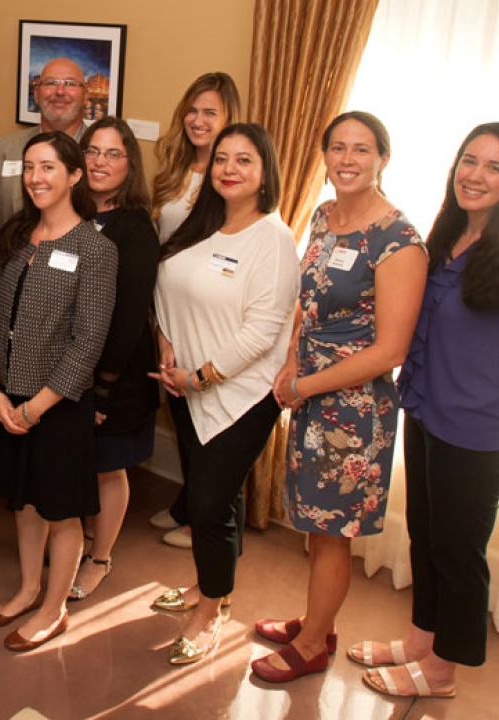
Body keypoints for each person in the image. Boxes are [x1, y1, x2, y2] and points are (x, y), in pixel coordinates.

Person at [359, 123, 499, 699]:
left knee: (458, 553)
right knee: (425, 536)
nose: (475, 175)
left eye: (494, 167)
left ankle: (442, 673)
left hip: (479, 434)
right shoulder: (447, 239)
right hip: (424, 412)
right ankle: (422, 642)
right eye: (469, 161)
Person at [250, 112, 426, 682]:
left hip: (353, 411)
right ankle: (315, 624)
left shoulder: (399, 240)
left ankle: (311, 648)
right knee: (316, 525)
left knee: (332, 535)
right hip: (311, 396)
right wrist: (294, 359)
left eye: (362, 149)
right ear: (324, 155)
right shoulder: (325, 218)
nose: (348, 159)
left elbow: (390, 350)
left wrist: (303, 386)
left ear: (383, 159)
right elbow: (312, 300)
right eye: (338, 148)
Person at [149, 123, 299, 666]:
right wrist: (166, 343)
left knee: (208, 508)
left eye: (244, 160)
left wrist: (200, 376)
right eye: (222, 160)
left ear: (265, 174)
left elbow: (262, 334)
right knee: (219, 498)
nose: (230, 169)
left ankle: (209, 612)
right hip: (183, 386)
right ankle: (212, 588)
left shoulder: (274, 240)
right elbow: (165, 286)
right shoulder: (199, 225)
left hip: (241, 397)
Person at [0, 131, 117, 651]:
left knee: (60, 512)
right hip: (8, 399)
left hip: (57, 406)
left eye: (50, 168)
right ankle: (28, 589)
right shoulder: (17, 237)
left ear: (75, 176)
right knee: (24, 504)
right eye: (31, 167)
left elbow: (88, 342)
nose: (37, 177)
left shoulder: (96, 249)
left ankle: (54, 610)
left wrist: (35, 407)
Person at [147, 72, 242, 550]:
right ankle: (188, 502)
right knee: (181, 411)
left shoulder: (231, 179)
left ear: (229, 121)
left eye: (211, 113)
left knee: (212, 421)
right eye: (193, 110)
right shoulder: (173, 172)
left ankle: (207, 517)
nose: (198, 120)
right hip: (168, 313)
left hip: (209, 319)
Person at [68, 117, 160, 602]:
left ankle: (100, 558)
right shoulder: (74, 212)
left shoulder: (135, 227)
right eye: (93, 151)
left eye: (113, 154)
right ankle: (85, 538)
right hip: (71, 367)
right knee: (81, 457)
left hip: (114, 372)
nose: (100, 162)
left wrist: (101, 384)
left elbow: (128, 315)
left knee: (107, 465)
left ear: (130, 165)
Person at [0, 57, 89, 287]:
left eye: (70, 83)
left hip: (73, 291)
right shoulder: (5, 149)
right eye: (50, 83)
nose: (60, 91)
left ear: (85, 95)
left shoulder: (98, 153)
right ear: (37, 93)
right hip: (6, 287)